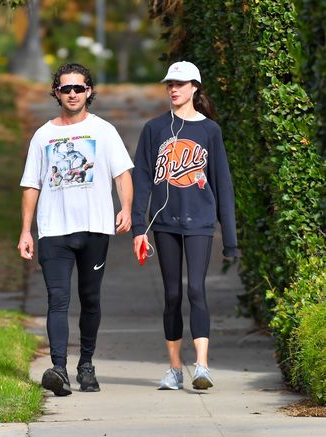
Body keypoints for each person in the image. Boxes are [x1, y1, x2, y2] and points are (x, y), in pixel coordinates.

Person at [18, 63, 134, 396]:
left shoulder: (104, 131)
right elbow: (31, 185)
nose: (72, 93)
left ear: (89, 91)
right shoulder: (44, 135)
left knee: (90, 299)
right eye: (66, 88)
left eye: (79, 88)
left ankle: (86, 364)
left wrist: (125, 208)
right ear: (56, 92)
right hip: (53, 231)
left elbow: (122, 174)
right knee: (57, 300)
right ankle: (58, 369)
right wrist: (26, 231)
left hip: (95, 228)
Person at [132, 61, 237, 391]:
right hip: (164, 224)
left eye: (180, 83)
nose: (173, 89)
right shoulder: (154, 129)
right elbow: (143, 180)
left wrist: (230, 238)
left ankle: (201, 366)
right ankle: (175, 369)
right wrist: (139, 228)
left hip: (200, 223)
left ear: (195, 88)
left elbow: (222, 183)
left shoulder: (210, 131)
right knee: (173, 294)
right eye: (169, 84)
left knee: (196, 290)